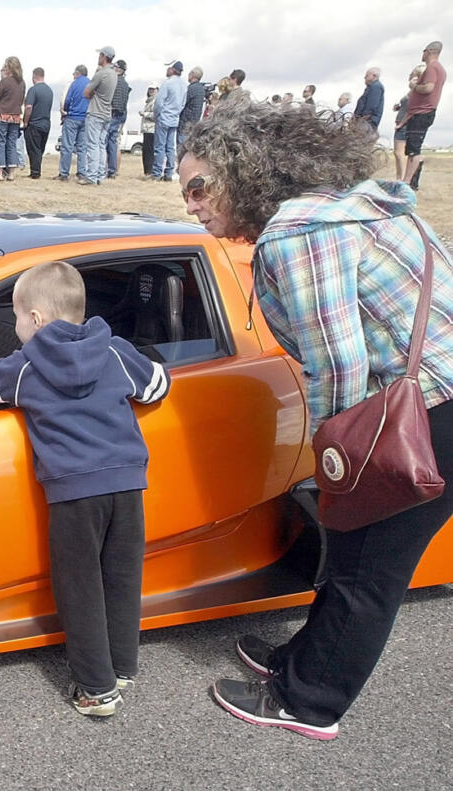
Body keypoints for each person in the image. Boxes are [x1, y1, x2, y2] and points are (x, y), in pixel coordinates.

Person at [180, 97, 453, 742]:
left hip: (427, 415)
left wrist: (337, 463)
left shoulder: (302, 231)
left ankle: (310, 702)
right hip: (437, 398)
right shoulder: (362, 203)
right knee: (353, 550)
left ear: (244, 169)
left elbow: (337, 361)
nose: (189, 205)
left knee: (366, 567)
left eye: (197, 187)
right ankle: (301, 661)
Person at [0, 260, 170, 717]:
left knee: (79, 585)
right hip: (127, 485)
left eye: (17, 317)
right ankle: (120, 667)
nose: (16, 326)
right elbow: (157, 386)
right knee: (120, 577)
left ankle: (96, 690)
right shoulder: (115, 350)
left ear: (35, 319)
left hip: (74, 493)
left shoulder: (25, 367)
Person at [398, 41, 444, 190]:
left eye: (424, 51)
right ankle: (408, 180)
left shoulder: (432, 68)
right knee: (412, 147)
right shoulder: (439, 69)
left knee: (413, 150)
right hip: (421, 112)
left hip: (422, 113)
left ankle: (407, 181)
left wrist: (414, 87)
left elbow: (428, 88)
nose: (422, 54)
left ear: (429, 51)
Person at [79, 47, 115, 185]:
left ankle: (92, 176)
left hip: (96, 112)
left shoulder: (102, 73)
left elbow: (86, 92)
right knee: (101, 145)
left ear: (103, 56)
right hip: (106, 113)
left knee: (92, 145)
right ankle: (100, 175)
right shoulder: (113, 74)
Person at [0, 57, 26, 182]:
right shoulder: (22, 83)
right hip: (15, 116)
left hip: (1, 115)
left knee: (1, 143)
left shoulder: (5, 82)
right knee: (12, 144)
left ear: (8, 67)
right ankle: (11, 173)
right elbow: (21, 100)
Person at [152, 60, 185, 181]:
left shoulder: (168, 83)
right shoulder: (183, 85)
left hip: (164, 117)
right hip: (174, 119)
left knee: (160, 147)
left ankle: (157, 173)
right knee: (170, 147)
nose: (167, 70)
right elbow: (182, 104)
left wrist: (157, 115)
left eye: (169, 68)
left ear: (173, 69)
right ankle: (169, 172)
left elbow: (159, 102)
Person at [56, 65, 88, 181]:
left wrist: (65, 111)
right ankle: (82, 172)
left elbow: (67, 99)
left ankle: (64, 173)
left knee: (67, 146)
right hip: (85, 118)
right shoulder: (90, 83)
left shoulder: (73, 84)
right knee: (82, 147)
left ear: (78, 73)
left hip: (72, 117)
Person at [391, 66, 423, 180]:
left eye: (412, 74)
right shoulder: (411, 91)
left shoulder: (416, 89)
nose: (409, 76)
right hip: (402, 121)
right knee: (399, 154)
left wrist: (402, 123)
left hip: (404, 124)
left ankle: (402, 180)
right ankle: (401, 179)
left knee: (400, 154)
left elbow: (413, 108)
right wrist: (398, 107)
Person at [22, 68, 52, 179]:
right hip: (46, 123)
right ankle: (37, 170)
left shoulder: (33, 90)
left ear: (34, 76)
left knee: (33, 148)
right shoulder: (50, 91)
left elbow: (29, 107)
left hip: (34, 123)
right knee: (40, 149)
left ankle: (35, 172)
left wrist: (25, 122)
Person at [105, 60, 131, 179]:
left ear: (118, 69)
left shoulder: (113, 81)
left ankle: (106, 168)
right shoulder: (125, 84)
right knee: (114, 142)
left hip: (112, 113)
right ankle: (112, 169)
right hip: (121, 114)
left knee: (105, 141)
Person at [178, 66, 205, 147]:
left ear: (192, 75)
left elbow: (182, 103)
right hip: (195, 122)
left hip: (185, 123)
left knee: (182, 147)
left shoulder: (191, 88)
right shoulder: (201, 89)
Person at [353, 67, 384, 135]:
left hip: (367, 122)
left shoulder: (376, 86)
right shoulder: (372, 87)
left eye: (367, 75)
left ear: (374, 76)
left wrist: (362, 118)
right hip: (364, 121)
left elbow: (372, 105)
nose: (364, 77)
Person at [140, 83, 157, 175]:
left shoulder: (155, 101)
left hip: (152, 129)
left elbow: (156, 115)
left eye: (153, 89)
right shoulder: (148, 101)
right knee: (146, 150)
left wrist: (145, 114)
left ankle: (149, 171)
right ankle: (147, 171)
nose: (151, 91)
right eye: (150, 89)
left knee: (149, 150)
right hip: (147, 129)